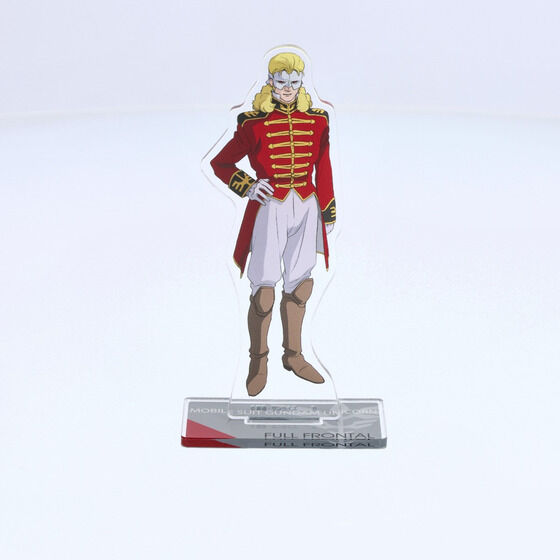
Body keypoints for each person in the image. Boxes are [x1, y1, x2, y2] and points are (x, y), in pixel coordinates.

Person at [210, 52, 336, 396]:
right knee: (264, 292)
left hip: (306, 206)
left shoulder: (318, 120)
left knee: (301, 286)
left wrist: (327, 208)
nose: (288, 88)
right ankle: (258, 361)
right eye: (281, 82)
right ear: (271, 82)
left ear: (301, 83)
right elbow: (221, 163)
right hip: (270, 207)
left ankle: (294, 356)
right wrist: (248, 186)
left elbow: (323, 166)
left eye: (294, 82)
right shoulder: (252, 124)